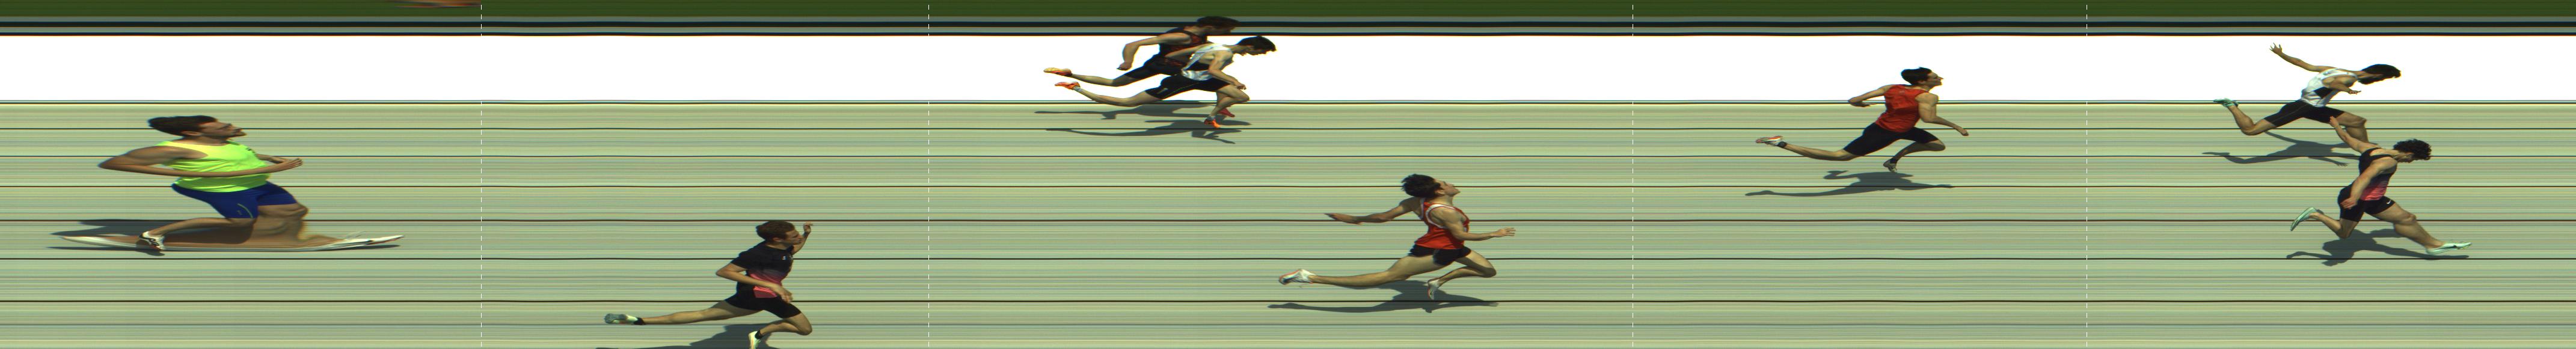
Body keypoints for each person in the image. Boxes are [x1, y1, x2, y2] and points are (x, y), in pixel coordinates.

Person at [86, 116, 398, 251]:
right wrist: (208, 176)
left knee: (294, 210)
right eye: (225, 127)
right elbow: (113, 163)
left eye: (228, 124)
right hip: (224, 189)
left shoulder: (222, 142)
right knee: (240, 221)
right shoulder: (172, 150)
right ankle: (156, 233)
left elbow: (239, 154)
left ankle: (281, 239)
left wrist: (268, 158)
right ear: (195, 134)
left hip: (256, 184)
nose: (232, 128)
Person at [1284, 174, 1515, 298]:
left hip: (1453, 248)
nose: (1451, 183)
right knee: (1388, 277)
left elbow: (1384, 217)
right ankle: (1310, 277)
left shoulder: (1416, 202)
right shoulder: (1446, 212)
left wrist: (1355, 219)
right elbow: (1462, 234)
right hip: (1438, 252)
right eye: (1445, 183)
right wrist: (1494, 234)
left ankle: (1438, 281)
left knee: (1488, 272)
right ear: (1440, 191)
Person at [605, 221, 817, 348]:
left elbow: (792, 251)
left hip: (758, 296)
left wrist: (806, 235)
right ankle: (759, 334)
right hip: (760, 296)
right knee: (805, 330)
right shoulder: (757, 253)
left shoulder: (782, 248)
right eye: (794, 235)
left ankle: (637, 321)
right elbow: (725, 272)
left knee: (703, 315)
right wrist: (772, 286)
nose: (797, 236)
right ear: (777, 239)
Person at [2289, 123, 2470, 255]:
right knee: (2344, 234)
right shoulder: (2388, 162)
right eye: (2412, 160)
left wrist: (2336, 125)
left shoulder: (2371, 148)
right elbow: (2364, 178)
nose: (2410, 162)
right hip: (2357, 199)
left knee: (2407, 219)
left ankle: (2433, 245)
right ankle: (2316, 214)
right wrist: (2354, 198)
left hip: (2374, 200)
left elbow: (2348, 139)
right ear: (2409, 154)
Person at [1755, 67, 1970, 171]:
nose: (1940, 78)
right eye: (1935, 77)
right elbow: (1928, 119)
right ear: (1924, 82)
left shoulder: (1891, 87)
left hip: (1892, 128)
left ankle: (1893, 160)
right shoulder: (1927, 97)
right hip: (1886, 133)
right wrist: (1956, 126)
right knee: (1840, 157)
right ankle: (1780, 143)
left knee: (1937, 146)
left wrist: (1860, 104)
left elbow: (1854, 100)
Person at [1055, 37, 1275, 128]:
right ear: (1251, 47)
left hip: (1201, 80)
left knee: (1241, 97)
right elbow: (1214, 70)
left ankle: (1212, 116)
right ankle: (1076, 87)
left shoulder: (1214, 46)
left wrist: (1192, 65)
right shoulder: (1225, 54)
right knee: (1127, 103)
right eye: (1261, 52)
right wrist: (1234, 79)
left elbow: (1177, 55)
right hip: (1184, 82)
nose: (1260, 55)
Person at [2215, 44, 2402, 141]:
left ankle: (2366, 149)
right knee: (2251, 130)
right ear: (2377, 75)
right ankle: (2232, 106)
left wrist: (2281, 54)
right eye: (2382, 79)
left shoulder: (2333, 68)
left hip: (2315, 108)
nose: (2379, 81)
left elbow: (2303, 64)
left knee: (2357, 121)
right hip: (2302, 108)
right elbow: (2335, 83)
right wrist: (2348, 90)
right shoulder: (2348, 78)